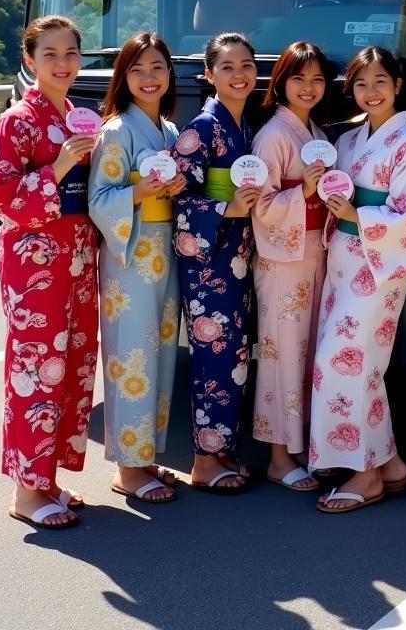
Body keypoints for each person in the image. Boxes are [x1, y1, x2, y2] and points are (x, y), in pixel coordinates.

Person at [310, 47, 406, 513]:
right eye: (361, 84)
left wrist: (356, 214)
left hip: (378, 268)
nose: (371, 91)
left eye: (380, 81)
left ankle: (365, 475)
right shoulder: (348, 141)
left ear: (398, 85)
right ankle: (391, 464)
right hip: (345, 263)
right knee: (360, 369)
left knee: (345, 364)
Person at [0, 15, 98, 529]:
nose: (62, 63)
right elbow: (1, 198)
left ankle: (48, 478)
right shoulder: (16, 121)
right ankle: (26, 492)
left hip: (75, 256)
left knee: (73, 363)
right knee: (36, 367)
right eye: (49, 54)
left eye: (70, 53)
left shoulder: (79, 117)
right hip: (34, 263)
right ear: (29, 60)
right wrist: (57, 170)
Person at [88, 32, 186, 504]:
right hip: (130, 251)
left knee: (162, 352)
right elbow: (99, 200)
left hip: (165, 246)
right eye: (138, 70)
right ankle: (128, 469)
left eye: (158, 68)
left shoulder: (168, 131)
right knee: (132, 355)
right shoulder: (116, 131)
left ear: (170, 75)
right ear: (123, 77)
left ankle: (146, 457)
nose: (149, 78)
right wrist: (146, 192)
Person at [171, 32, 260, 494]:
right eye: (227, 67)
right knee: (212, 355)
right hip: (209, 262)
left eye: (246, 64)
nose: (239, 73)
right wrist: (226, 209)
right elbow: (175, 195)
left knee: (234, 356)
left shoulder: (243, 126)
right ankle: (205, 459)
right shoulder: (202, 129)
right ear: (208, 75)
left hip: (235, 258)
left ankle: (222, 448)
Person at [250, 42, 333, 492]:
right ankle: (278, 456)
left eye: (317, 79)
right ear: (280, 82)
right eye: (299, 78)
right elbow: (260, 207)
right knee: (282, 352)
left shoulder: (313, 130)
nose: (308, 87)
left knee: (306, 351)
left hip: (314, 248)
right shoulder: (274, 136)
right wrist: (302, 192)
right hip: (284, 255)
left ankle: (298, 444)